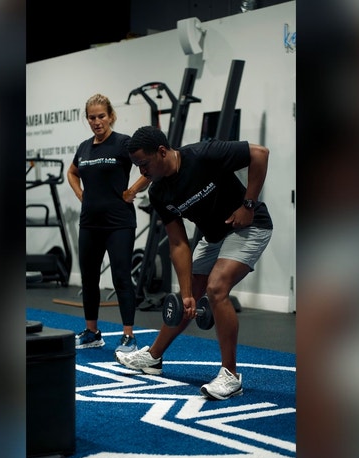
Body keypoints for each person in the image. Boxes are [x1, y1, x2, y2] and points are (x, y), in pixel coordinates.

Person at [117, 125, 272, 400]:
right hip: (214, 237)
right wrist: (187, 293)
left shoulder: (203, 154)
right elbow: (178, 244)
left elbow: (260, 153)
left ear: (162, 152)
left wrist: (248, 205)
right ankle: (153, 357)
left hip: (249, 226)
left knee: (216, 288)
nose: (142, 172)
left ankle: (231, 376)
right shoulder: (158, 193)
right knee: (187, 296)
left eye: (144, 164)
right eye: (137, 166)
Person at [67, 94, 151, 354]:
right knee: (89, 279)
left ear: (111, 116)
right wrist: (80, 194)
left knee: (121, 277)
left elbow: (149, 167)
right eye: (92, 117)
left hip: (119, 223)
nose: (97, 121)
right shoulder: (84, 148)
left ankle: (128, 336)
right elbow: (72, 172)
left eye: (101, 116)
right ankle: (92, 332)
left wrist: (132, 190)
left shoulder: (123, 143)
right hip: (89, 223)